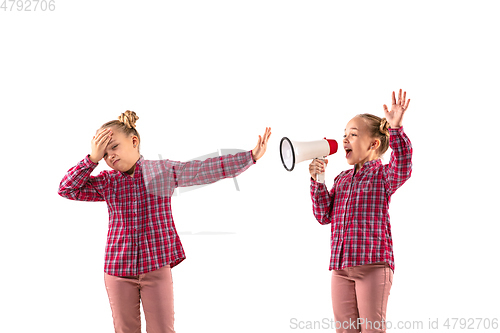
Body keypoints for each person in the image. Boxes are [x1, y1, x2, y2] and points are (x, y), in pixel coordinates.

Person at [58, 110, 271, 333]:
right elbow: (66, 189)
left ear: (134, 141)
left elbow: (203, 170)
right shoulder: (106, 182)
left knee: (162, 330)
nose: (109, 156)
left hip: (156, 266)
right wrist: (91, 160)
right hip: (117, 270)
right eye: (103, 153)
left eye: (114, 147)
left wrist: (251, 156)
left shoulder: (161, 171)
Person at [309, 89, 412, 333]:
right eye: (344, 134)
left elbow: (404, 165)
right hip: (341, 269)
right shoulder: (342, 179)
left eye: (353, 134)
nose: (345, 139)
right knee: (345, 330)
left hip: (373, 266)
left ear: (374, 143)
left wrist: (396, 129)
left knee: (372, 329)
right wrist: (318, 181)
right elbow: (324, 216)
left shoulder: (383, 175)